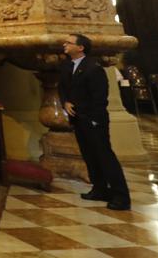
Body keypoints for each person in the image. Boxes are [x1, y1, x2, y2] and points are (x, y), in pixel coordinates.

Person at [59, 33, 130, 210]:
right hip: (78, 118)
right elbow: (63, 88)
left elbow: (100, 97)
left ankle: (121, 196)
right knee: (89, 156)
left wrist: (94, 119)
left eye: (69, 42)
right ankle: (99, 189)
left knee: (104, 157)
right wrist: (65, 102)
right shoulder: (67, 66)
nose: (64, 45)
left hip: (93, 119)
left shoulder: (93, 68)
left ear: (80, 47)